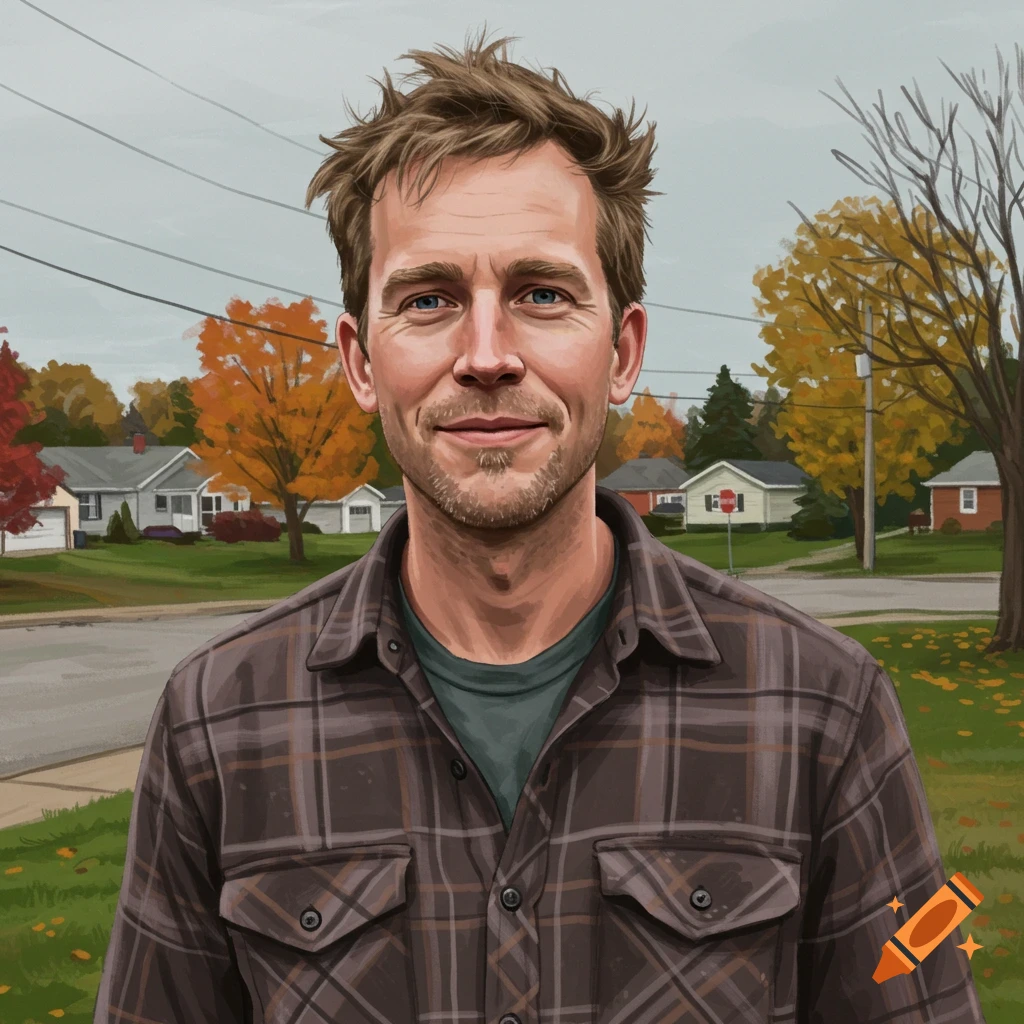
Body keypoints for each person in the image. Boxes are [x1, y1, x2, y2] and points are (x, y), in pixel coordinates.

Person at [94, 34, 986, 1024]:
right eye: (428, 298)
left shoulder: (822, 712)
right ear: (357, 359)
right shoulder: (218, 723)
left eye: (541, 294)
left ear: (622, 350)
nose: (486, 354)